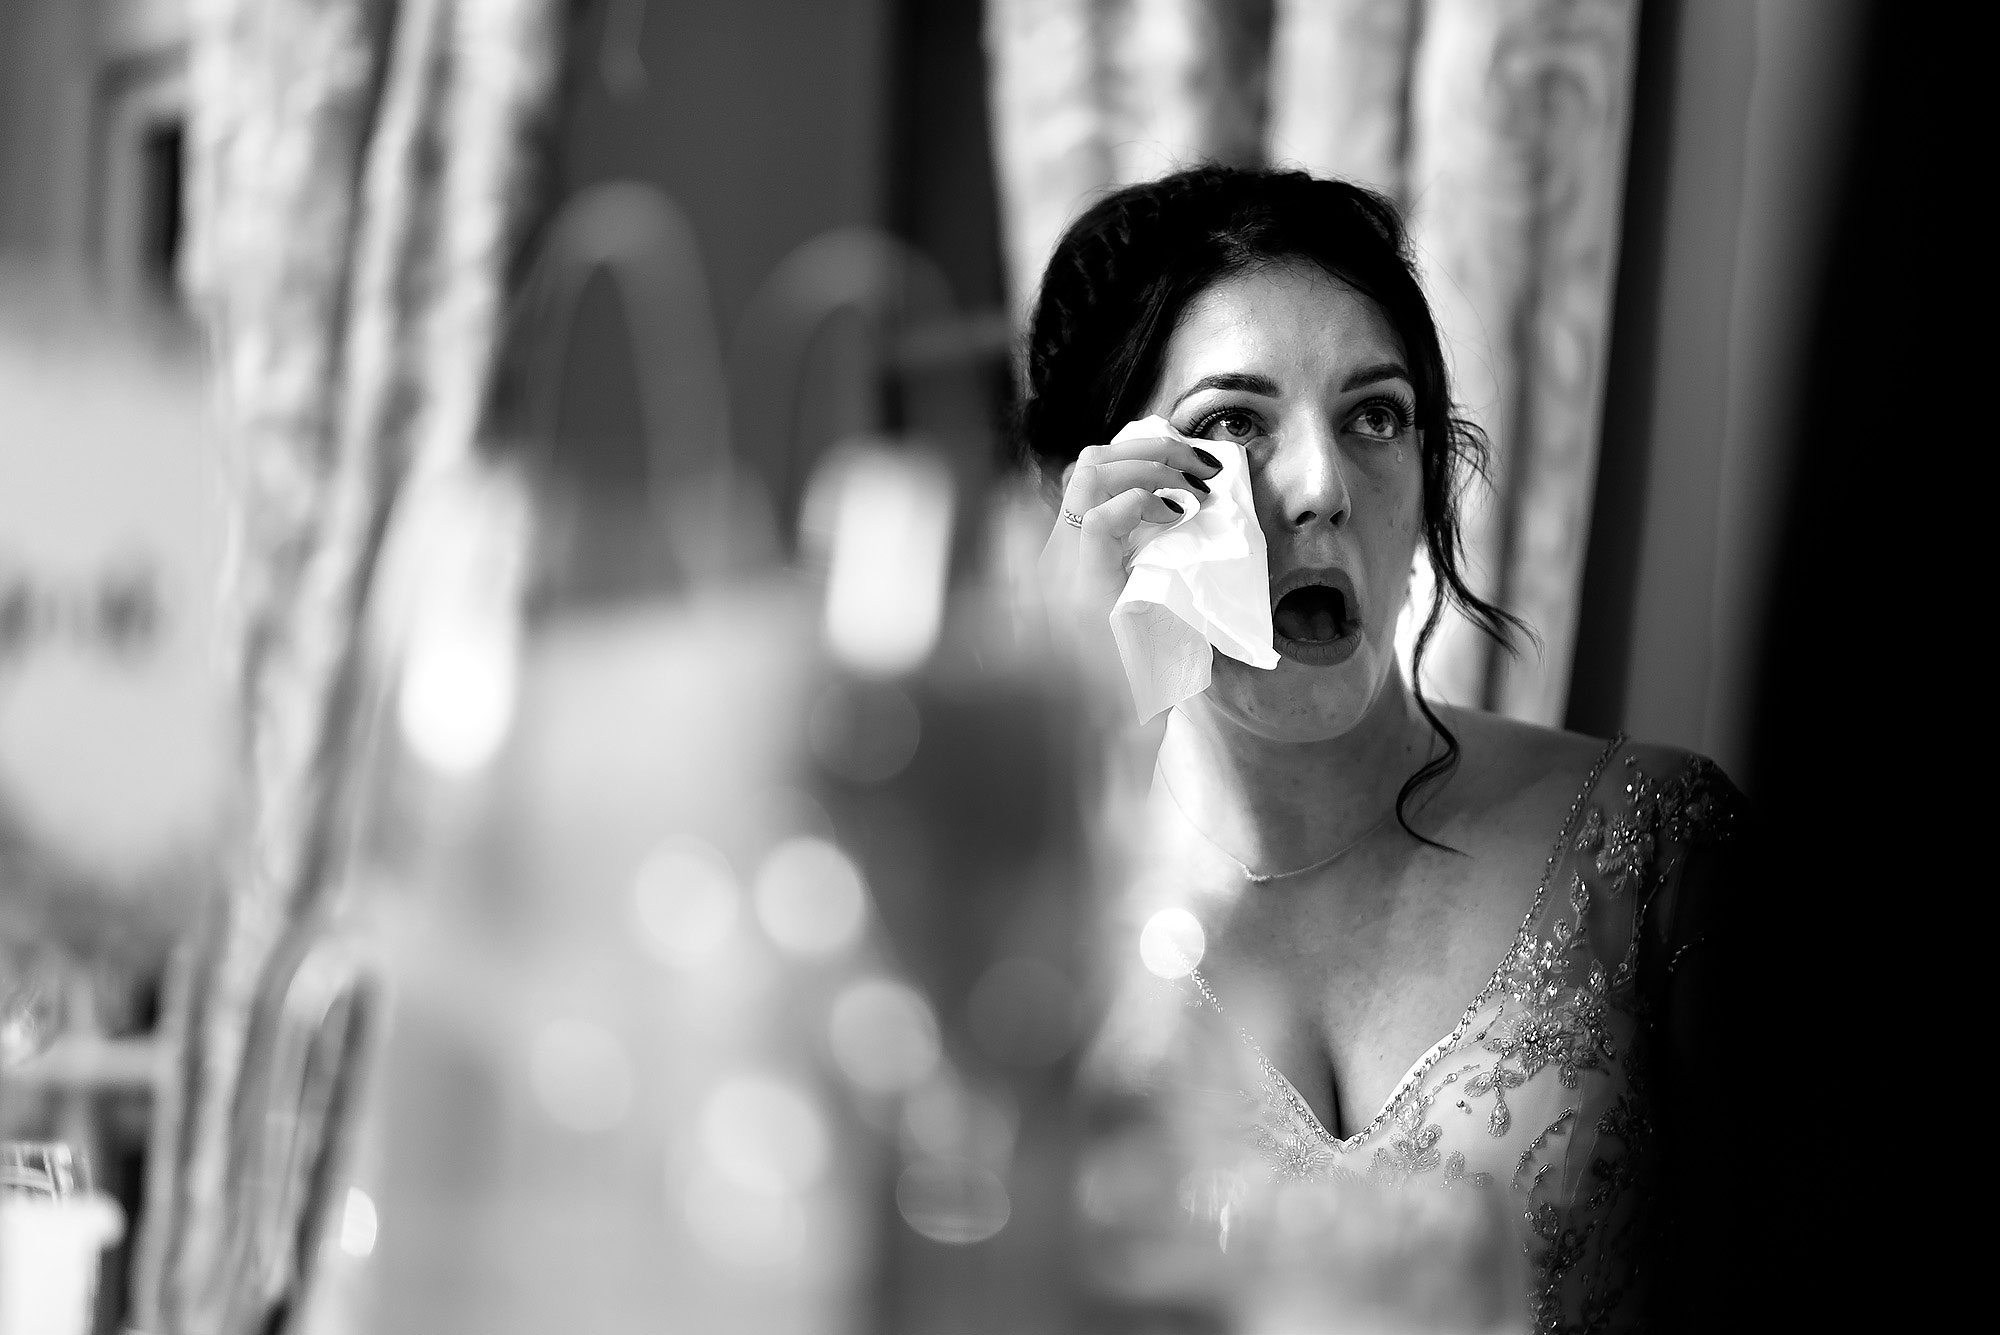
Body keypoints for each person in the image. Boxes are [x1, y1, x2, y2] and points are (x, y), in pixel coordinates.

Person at [1025, 166, 1746, 1332]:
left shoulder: (1653, 843)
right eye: (1230, 426)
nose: (1319, 487)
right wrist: (1061, 733)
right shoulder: (1026, 914)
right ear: (1099, 500)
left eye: (1373, 416)